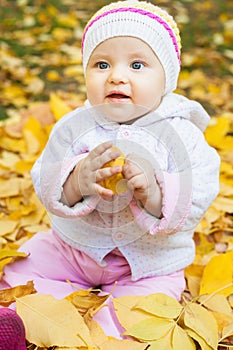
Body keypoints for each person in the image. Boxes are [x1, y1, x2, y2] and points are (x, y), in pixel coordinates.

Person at [0, 0, 220, 342]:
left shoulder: (184, 135)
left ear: (167, 78)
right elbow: (45, 177)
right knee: (18, 272)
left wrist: (155, 192)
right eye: (102, 64)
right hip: (73, 248)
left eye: (137, 64)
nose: (117, 75)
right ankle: (18, 325)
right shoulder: (75, 126)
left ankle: (95, 336)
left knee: (137, 316)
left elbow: (197, 194)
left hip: (148, 264)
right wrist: (75, 179)